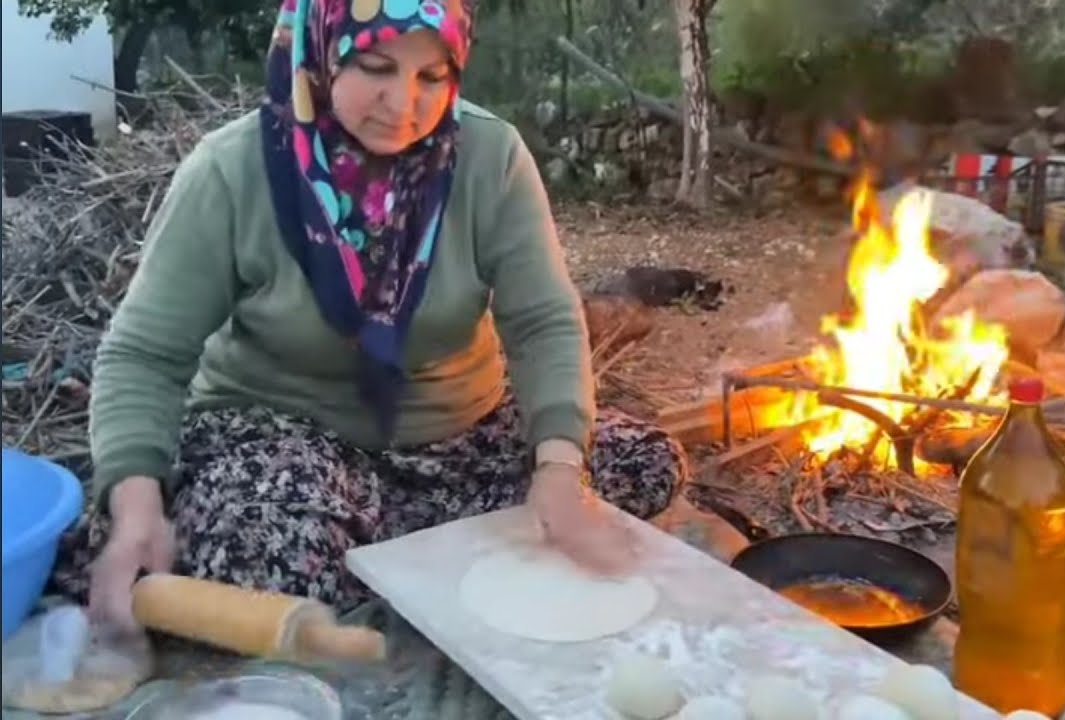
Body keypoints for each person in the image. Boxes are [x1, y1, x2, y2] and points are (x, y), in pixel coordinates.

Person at [51, 0, 688, 633]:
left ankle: (387, 547)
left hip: (462, 447)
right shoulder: (232, 170)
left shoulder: (490, 158)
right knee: (272, 555)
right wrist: (136, 506)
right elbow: (145, 354)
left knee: (644, 462)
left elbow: (542, 321)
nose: (403, 101)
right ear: (323, 50)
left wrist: (555, 471)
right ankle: (419, 548)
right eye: (377, 67)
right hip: (286, 441)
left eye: (431, 77)